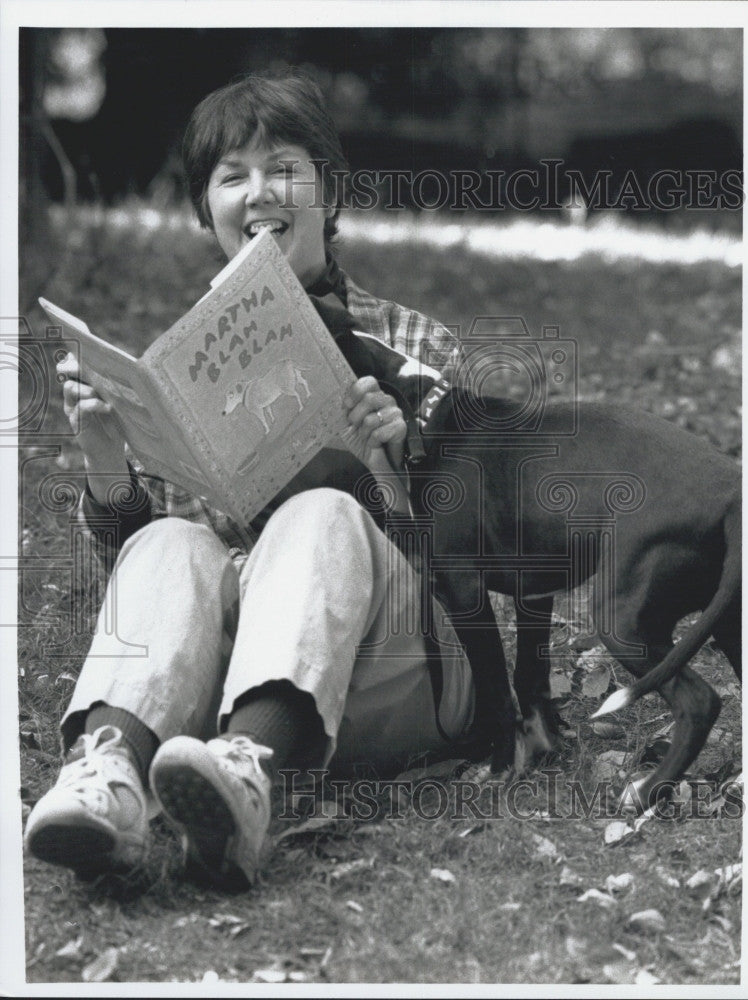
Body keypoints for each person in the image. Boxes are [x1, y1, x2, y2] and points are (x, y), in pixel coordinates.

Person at [24, 70, 475, 891]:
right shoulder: (183, 364)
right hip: (221, 681)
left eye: (283, 168)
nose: (258, 192)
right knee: (169, 537)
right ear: (207, 213)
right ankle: (114, 779)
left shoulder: (414, 343)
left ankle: (251, 769)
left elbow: (475, 571)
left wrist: (394, 464)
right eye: (231, 176)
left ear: (327, 191)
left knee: (321, 512)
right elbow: (155, 589)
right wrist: (103, 454)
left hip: (394, 670)